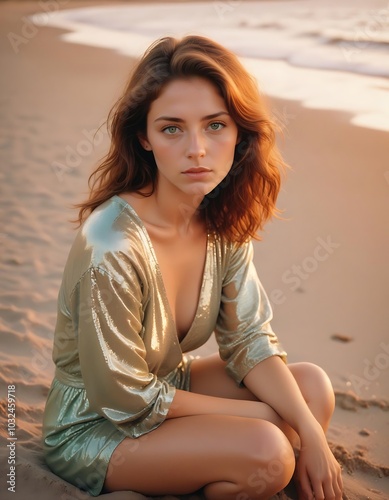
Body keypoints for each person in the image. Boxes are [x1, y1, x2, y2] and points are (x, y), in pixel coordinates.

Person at [42, 35, 343, 499]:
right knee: (269, 450)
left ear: (239, 131)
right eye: (172, 128)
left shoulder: (220, 219)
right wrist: (266, 417)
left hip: (168, 385)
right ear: (144, 136)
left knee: (312, 390)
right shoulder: (111, 245)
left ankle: (232, 469)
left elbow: (248, 339)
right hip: (98, 426)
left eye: (215, 125)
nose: (197, 149)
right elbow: (124, 397)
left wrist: (303, 422)